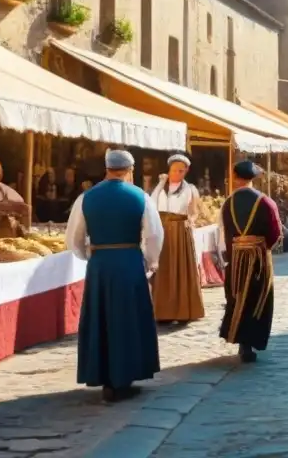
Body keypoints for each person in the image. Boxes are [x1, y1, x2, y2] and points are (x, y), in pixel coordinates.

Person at [66, 149, 162, 403]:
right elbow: (154, 235)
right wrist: (151, 261)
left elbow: (74, 238)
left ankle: (105, 377)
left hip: (100, 264)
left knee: (102, 319)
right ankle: (125, 376)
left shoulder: (86, 198)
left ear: (106, 168)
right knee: (128, 318)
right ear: (130, 170)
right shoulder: (140, 196)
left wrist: (90, 256)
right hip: (129, 262)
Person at [220, 161, 282, 363]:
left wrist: (232, 253)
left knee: (237, 297)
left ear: (236, 178)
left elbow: (226, 233)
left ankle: (241, 342)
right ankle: (252, 340)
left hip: (237, 255)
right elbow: (275, 232)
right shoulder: (265, 202)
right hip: (258, 256)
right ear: (253, 179)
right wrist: (264, 249)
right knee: (257, 297)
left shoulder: (228, 203)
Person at [149, 154, 205, 324]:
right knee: (162, 268)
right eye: (174, 170)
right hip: (161, 228)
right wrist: (160, 183)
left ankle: (184, 311)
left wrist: (191, 220)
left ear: (186, 171)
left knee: (180, 269)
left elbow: (195, 211)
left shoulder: (190, 189)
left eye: (181, 171)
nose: (177, 173)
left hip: (180, 230)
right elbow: (150, 203)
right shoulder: (159, 187)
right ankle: (161, 311)